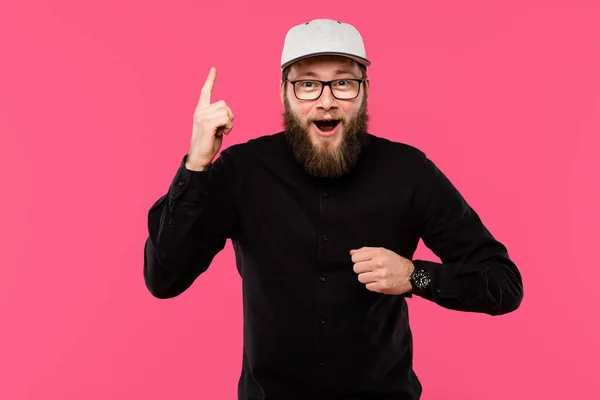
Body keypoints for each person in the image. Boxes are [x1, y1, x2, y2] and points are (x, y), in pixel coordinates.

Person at [143, 18, 524, 400]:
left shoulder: (409, 172)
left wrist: (415, 275)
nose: (327, 100)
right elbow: (164, 277)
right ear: (284, 92)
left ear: (365, 90)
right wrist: (196, 164)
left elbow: (504, 284)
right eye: (308, 84)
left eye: (343, 82)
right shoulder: (241, 171)